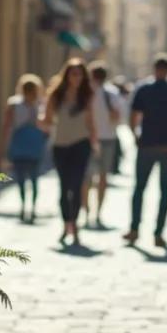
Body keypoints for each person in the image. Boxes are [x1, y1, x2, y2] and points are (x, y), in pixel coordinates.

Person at [125, 56, 167, 247]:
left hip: (147, 144)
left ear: (155, 69)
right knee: (164, 189)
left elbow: (133, 116)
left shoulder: (144, 89)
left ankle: (134, 229)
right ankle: (158, 233)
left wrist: (135, 135)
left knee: (140, 188)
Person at [43, 58, 99, 247]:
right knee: (64, 186)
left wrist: (94, 142)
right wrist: (42, 122)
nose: (76, 77)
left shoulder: (86, 96)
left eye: (79, 74)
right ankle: (66, 223)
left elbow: (90, 122)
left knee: (76, 186)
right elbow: (48, 119)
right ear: (66, 75)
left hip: (80, 144)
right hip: (60, 145)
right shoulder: (56, 95)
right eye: (73, 73)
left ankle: (74, 225)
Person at [83, 61, 123, 229]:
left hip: (87, 139)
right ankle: (97, 213)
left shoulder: (86, 93)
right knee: (103, 178)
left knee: (86, 178)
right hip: (107, 138)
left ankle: (85, 212)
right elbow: (119, 117)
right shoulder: (112, 93)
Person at [3, 74, 46, 222]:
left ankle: (25, 207)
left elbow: (7, 127)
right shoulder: (38, 106)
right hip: (32, 146)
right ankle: (31, 208)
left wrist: (5, 148)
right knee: (32, 179)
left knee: (22, 179)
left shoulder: (17, 104)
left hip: (21, 146)